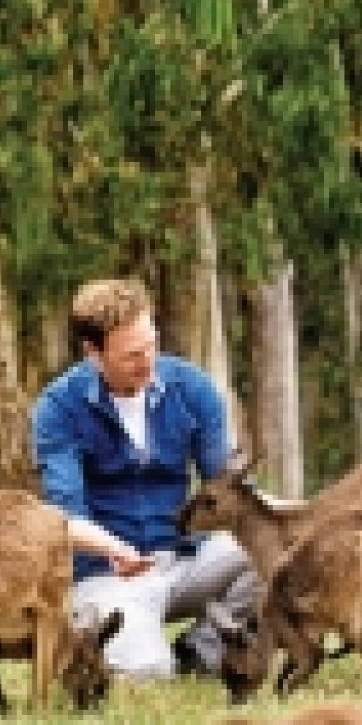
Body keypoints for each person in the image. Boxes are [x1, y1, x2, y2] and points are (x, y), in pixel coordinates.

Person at [32, 277, 260, 679]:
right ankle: (105, 644)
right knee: (148, 671)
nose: (148, 361)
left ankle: (202, 651)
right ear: (93, 353)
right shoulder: (57, 408)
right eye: (131, 355)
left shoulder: (193, 389)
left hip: (185, 558)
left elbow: (228, 491)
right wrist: (113, 549)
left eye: (152, 345)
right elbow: (64, 519)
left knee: (275, 552)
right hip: (107, 573)